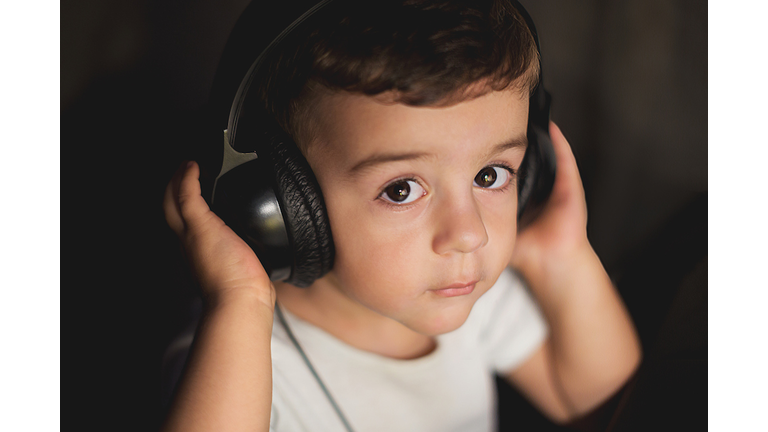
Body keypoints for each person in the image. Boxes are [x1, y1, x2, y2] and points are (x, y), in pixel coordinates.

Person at [161, 1, 641, 431]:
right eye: (401, 189)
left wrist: (563, 258)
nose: (468, 234)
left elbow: (602, 407)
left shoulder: (473, 299)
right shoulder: (240, 362)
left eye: (491, 176)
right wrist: (239, 302)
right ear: (283, 206)